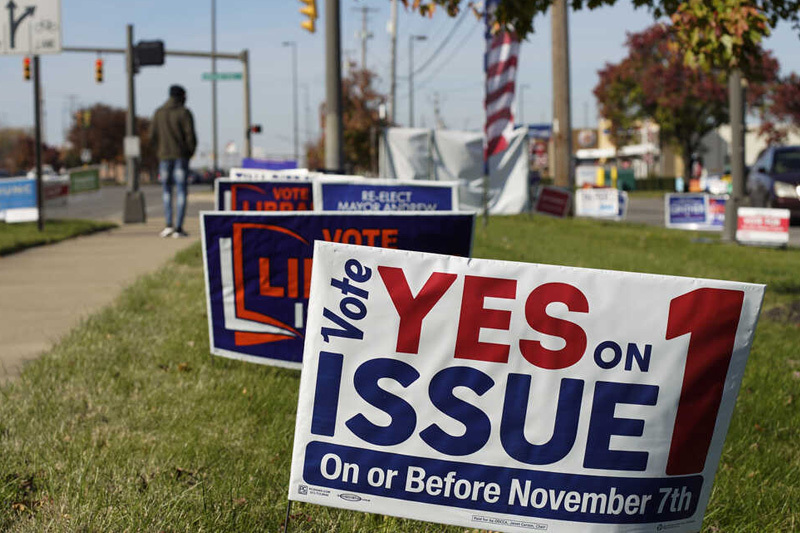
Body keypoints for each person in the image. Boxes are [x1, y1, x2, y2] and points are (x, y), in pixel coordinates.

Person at [149, 84, 197, 238]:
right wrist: (189, 152)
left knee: (166, 191)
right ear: (181, 96)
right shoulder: (184, 113)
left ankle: (168, 224)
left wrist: (159, 151)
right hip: (180, 157)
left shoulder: (159, 113)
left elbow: (152, 136)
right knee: (182, 191)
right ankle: (178, 228)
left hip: (164, 157)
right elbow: (190, 136)